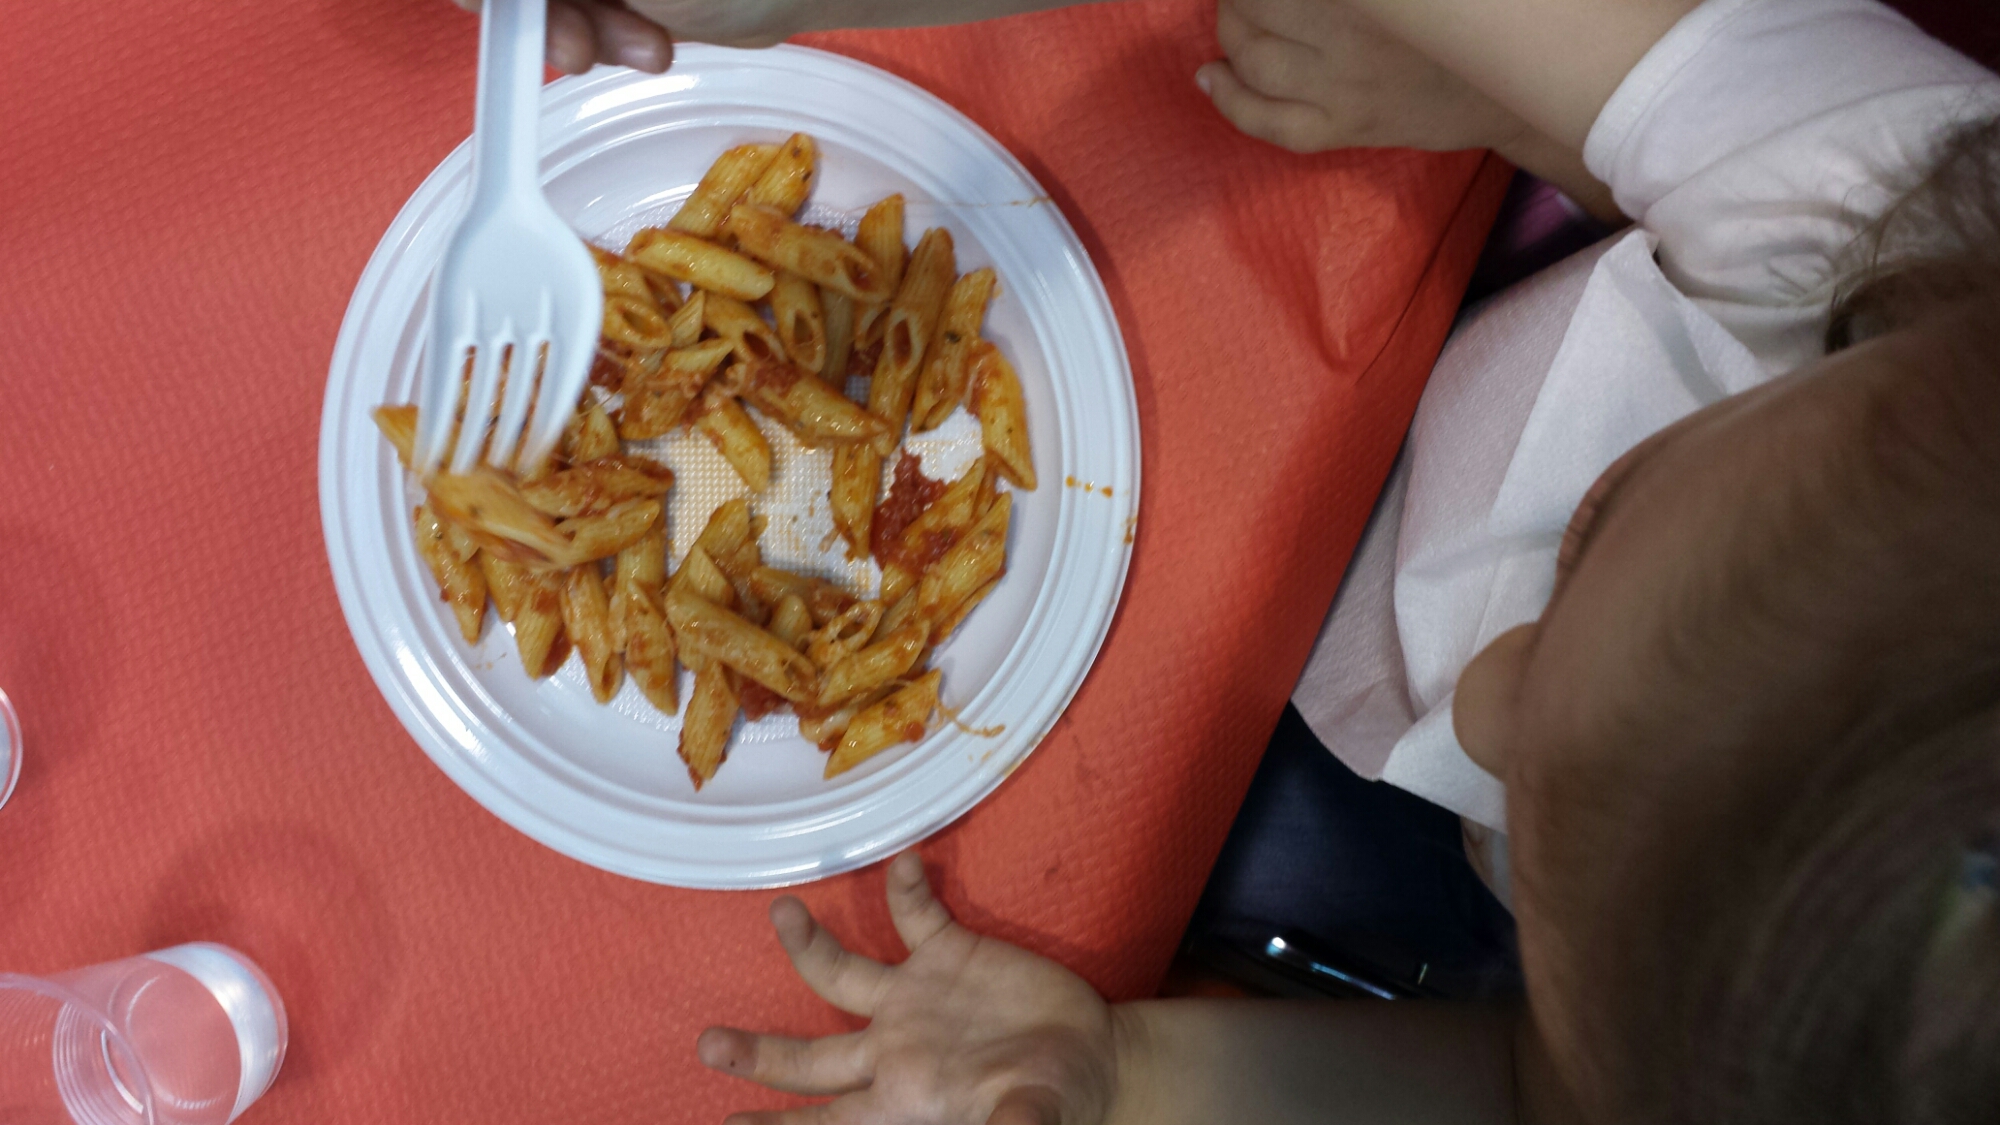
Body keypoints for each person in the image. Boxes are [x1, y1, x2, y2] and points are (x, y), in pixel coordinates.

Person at [462, 0, 2000, 1117]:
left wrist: (1126, 1067)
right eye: (1603, 527)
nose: (1483, 701)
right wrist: (1508, 102)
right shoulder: (1898, 196)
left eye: (1539, 796)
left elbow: (1521, 1088)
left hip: (1374, 847)